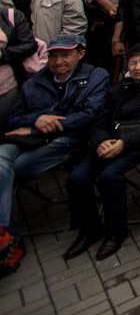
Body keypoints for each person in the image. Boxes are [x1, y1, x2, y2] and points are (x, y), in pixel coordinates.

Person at [0, 34, 109, 269]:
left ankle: (7, 240)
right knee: (1, 167)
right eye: (53, 55)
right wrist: (38, 119)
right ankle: (7, 237)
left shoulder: (95, 76)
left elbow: (90, 116)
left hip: (65, 140)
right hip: (27, 139)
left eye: (65, 55)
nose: (58, 61)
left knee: (12, 171)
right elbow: (12, 120)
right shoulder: (35, 82)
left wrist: (41, 127)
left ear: (80, 54)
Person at [63, 41, 140, 259]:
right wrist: (101, 140)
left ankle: (115, 231)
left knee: (109, 176)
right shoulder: (119, 88)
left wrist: (125, 144)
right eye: (133, 62)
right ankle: (89, 228)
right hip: (111, 141)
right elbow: (101, 118)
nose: (137, 67)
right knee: (76, 179)